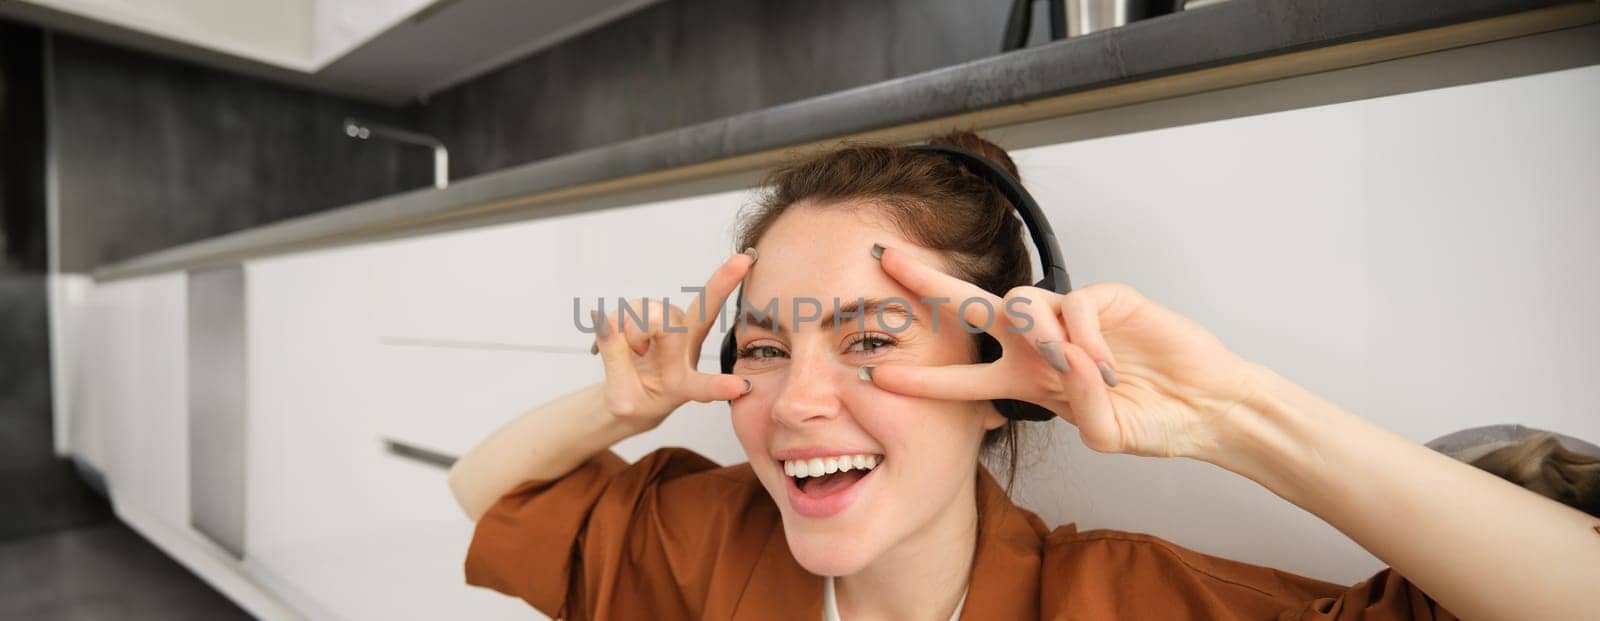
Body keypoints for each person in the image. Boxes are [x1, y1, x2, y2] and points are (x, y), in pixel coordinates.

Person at [447, 131, 1600, 620]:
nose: (795, 401)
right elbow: (488, 495)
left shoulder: (1118, 604)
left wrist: (1230, 416)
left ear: (996, 376)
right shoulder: (706, 542)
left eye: (868, 340)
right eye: (762, 347)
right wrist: (619, 405)